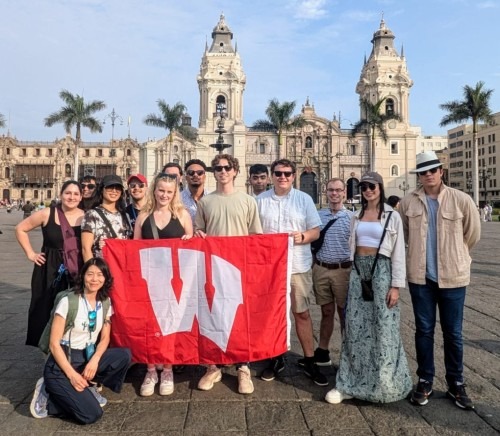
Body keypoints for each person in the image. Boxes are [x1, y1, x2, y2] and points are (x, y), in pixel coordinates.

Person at [399, 151, 481, 410]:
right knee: (423, 331)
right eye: (423, 172)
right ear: (419, 176)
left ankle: (456, 383)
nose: (429, 175)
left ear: (441, 171)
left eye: (433, 170)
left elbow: (473, 234)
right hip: (420, 278)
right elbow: (401, 235)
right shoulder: (407, 203)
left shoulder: (461, 199)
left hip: (454, 278)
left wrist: (456, 257)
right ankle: (425, 380)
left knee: (453, 333)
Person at [325, 172, 412, 404]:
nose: (367, 190)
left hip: (381, 271)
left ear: (380, 187)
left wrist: (396, 286)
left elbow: (399, 253)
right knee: (354, 326)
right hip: (358, 273)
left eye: (372, 185)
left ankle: (384, 381)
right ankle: (350, 381)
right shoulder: (357, 216)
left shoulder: (392, 216)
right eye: (363, 186)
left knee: (384, 326)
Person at [29, 258, 131, 423]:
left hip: (87, 356)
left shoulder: (104, 302)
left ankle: (87, 386)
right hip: (62, 363)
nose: (94, 279)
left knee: (124, 355)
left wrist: (95, 360)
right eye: (90, 274)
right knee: (91, 414)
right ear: (83, 276)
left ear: (105, 279)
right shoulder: (68, 301)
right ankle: (49, 399)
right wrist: (73, 376)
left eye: (99, 275)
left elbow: (105, 338)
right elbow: (54, 345)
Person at [194, 154, 262, 395]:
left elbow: (255, 237)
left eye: (226, 168)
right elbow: (198, 231)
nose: (222, 172)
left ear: (235, 171)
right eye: (218, 168)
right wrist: (199, 235)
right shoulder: (205, 202)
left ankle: (243, 366)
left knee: (240, 317)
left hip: (239, 269)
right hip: (213, 268)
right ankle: (214, 366)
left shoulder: (247, 201)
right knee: (213, 316)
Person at [256, 159, 327, 386]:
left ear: (294, 175)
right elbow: (253, 233)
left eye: (287, 173)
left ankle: (309, 359)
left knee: (302, 313)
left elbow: (315, 231)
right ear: (272, 175)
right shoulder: (260, 201)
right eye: (278, 173)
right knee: (272, 315)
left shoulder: (304, 200)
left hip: (297, 265)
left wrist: (303, 237)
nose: (282, 177)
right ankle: (275, 356)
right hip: (270, 269)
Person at [134, 173, 193, 396]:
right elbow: (134, 249)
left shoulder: (182, 215)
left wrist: (191, 240)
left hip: (175, 281)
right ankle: (151, 369)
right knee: (149, 325)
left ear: (175, 192)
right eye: (161, 190)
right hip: (149, 280)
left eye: (169, 191)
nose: (164, 195)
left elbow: (193, 248)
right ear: (154, 190)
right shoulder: (143, 216)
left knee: (170, 324)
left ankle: (167, 368)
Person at [16, 181, 84, 347]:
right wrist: (31, 254)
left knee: (74, 311)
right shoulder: (47, 213)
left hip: (76, 269)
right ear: (61, 194)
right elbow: (20, 229)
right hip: (50, 269)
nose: (71, 197)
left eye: (76, 194)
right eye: (68, 193)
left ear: (81, 197)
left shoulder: (86, 216)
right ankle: (47, 354)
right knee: (46, 308)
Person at [310, 178, 353, 367]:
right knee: (326, 311)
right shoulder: (317, 216)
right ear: (325, 192)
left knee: (345, 313)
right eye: (330, 190)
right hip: (321, 269)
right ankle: (323, 350)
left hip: (343, 270)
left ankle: (348, 352)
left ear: (344, 193)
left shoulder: (353, 218)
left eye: (338, 190)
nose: (334, 194)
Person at [81, 175, 133, 262]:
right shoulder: (91, 215)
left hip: (121, 266)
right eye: (109, 187)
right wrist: (92, 271)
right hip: (101, 267)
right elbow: (86, 249)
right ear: (101, 190)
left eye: (117, 188)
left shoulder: (125, 216)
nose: (114, 191)